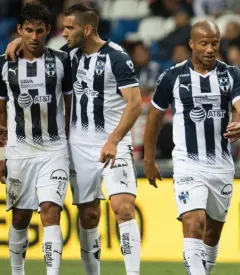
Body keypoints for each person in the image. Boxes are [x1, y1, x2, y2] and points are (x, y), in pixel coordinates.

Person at [5, 3, 143, 275]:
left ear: (87, 28)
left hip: (113, 144)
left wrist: (114, 140)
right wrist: (17, 41)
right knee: (89, 215)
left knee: (123, 208)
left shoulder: (117, 57)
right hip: (78, 146)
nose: (64, 32)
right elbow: (38, 49)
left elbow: (135, 103)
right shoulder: (68, 57)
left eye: (69, 28)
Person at [144, 21, 240, 275]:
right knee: (194, 223)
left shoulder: (230, 74)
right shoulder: (172, 77)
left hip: (221, 165)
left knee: (212, 233)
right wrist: (149, 160)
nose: (209, 49)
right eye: (203, 43)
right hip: (188, 163)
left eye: (214, 43)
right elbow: (154, 119)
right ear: (192, 44)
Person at [0, 2, 72, 275]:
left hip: (54, 150)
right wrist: (1, 156)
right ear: (19, 30)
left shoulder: (62, 61)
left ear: (47, 31)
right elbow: (1, 118)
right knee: (20, 217)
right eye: (28, 31)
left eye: (39, 31)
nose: (33, 36)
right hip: (20, 151)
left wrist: (67, 141)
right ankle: (18, 272)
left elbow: (69, 103)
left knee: (51, 210)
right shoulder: (4, 65)